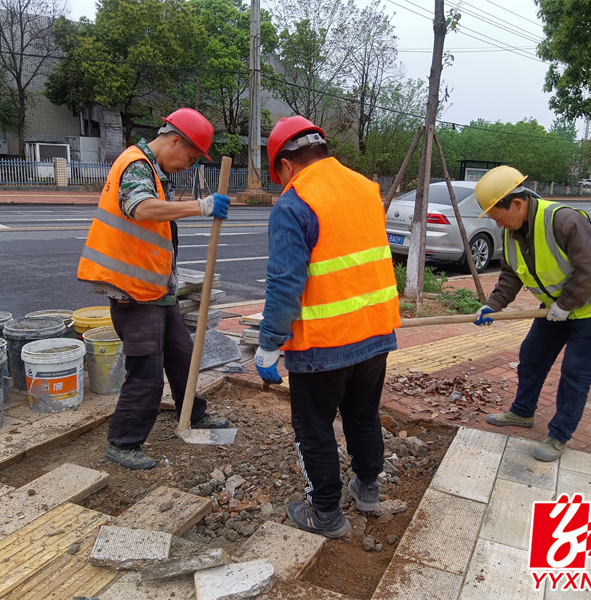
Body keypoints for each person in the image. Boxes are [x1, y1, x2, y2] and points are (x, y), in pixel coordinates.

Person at [254, 116, 401, 538]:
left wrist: (268, 346)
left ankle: (326, 515)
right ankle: (367, 488)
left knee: (314, 428)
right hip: (375, 333)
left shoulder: (295, 201)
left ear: (285, 164)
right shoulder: (364, 187)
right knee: (362, 413)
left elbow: (285, 285)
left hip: (323, 346)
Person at [77, 108, 231, 471]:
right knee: (146, 370)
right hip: (132, 293)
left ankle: (194, 415)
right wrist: (200, 206)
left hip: (157, 291)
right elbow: (140, 208)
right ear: (175, 140)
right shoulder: (136, 164)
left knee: (182, 358)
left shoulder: (155, 171)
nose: (188, 166)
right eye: (190, 158)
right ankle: (124, 442)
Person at [473, 165, 591, 462]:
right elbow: (511, 273)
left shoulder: (564, 221)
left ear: (516, 203)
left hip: (590, 309)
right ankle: (523, 412)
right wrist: (493, 305)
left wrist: (566, 305)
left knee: (575, 374)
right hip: (553, 309)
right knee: (532, 356)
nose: (499, 225)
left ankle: (559, 435)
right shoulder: (513, 231)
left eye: (499, 218)